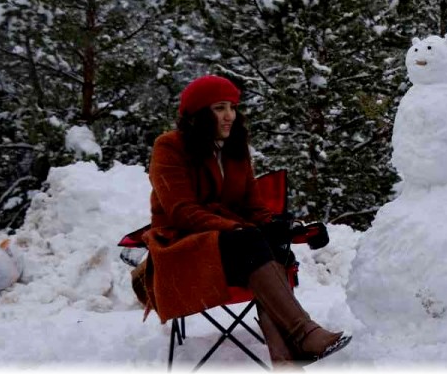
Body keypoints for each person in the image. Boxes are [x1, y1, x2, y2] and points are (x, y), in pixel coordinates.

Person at [144, 75, 350, 364]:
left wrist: (289, 229)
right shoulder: (169, 147)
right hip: (185, 244)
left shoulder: (235, 149)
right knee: (250, 238)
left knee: (272, 235)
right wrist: (237, 228)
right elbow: (181, 210)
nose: (229, 115)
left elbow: (254, 207)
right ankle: (303, 333)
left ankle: (286, 360)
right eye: (219, 108)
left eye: (232, 107)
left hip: (235, 246)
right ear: (198, 114)